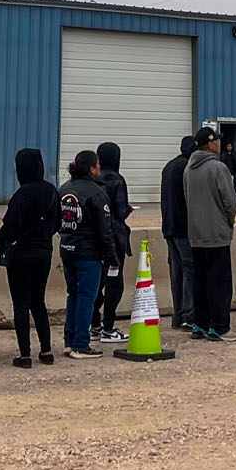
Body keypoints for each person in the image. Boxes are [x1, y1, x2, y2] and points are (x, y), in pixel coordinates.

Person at [0, 149, 58, 367]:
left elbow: (10, 226)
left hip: (21, 254)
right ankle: (47, 350)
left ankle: (25, 354)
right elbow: (57, 223)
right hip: (44, 252)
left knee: (20, 304)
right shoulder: (51, 191)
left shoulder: (21, 194)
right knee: (38, 301)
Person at [183, 128, 236, 342]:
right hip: (216, 233)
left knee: (199, 282)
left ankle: (200, 324)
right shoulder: (217, 167)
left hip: (196, 234)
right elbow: (229, 200)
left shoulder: (189, 168)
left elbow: (187, 197)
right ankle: (220, 327)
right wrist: (229, 222)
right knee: (220, 283)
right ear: (211, 144)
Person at [57, 150, 112, 358]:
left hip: (67, 248)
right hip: (89, 253)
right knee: (87, 298)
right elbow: (104, 230)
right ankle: (81, 343)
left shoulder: (64, 189)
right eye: (97, 165)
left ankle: (70, 341)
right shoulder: (96, 193)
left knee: (73, 296)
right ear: (92, 168)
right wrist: (111, 256)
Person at [93, 142, 134, 345]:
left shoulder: (94, 179)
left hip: (94, 240)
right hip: (114, 239)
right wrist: (128, 209)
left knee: (95, 284)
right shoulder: (117, 180)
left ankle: (94, 325)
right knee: (114, 284)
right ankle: (108, 326)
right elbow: (120, 211)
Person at [160, 135, 197, 331]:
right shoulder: (188, 167)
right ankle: (189, 316)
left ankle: (178, 314)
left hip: (169, 226)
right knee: (189, 271)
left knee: (176, 271)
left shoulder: (169, 166)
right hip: (183, 227)